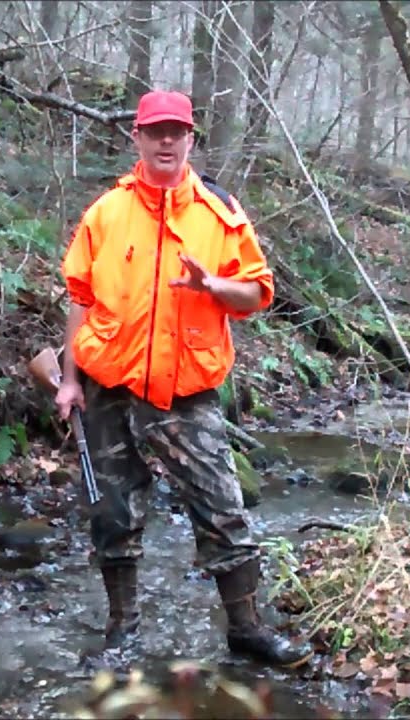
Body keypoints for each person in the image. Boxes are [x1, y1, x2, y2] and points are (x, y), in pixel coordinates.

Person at [53, 89, 314, 669]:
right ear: (137, 139)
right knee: (113, 515)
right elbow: (79, 299)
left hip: (186, 392)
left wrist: (212, 287)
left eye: (177, 131)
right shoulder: (105, 213)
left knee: (222, 509)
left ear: (191, 138)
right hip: (106, 388)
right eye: (155, 131)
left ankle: (246, 630)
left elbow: (257, 292)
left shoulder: (220, 214)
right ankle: (123, 632)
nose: (166, 141)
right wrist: (69, 380)